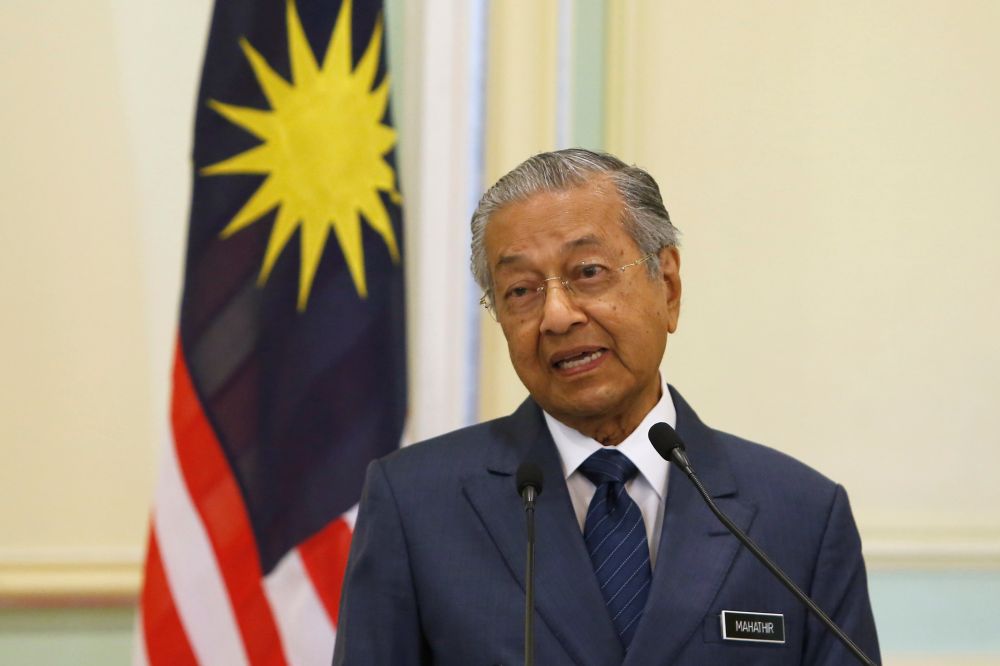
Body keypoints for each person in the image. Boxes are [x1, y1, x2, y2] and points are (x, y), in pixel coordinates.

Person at [332, 149, 880, 665]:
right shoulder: (415, 505)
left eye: (588, 272)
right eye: (521, 290)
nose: (557, 316)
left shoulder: (801, 516)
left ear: (667, 284)